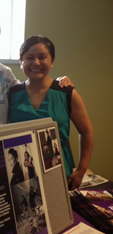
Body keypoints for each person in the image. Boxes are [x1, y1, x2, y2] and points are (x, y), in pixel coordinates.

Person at [9, 35, 94, 190]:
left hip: (60, 175)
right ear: (21, 62)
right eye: (29, 57)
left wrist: (81, 170)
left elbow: (86, 131)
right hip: (22, 180)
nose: (36, 63)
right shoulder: (11, 95)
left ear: (52, 61)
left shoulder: (66, 92)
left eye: (42, 57)